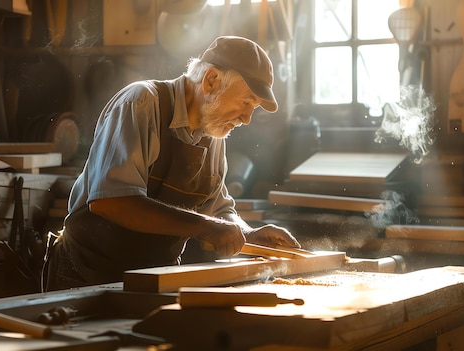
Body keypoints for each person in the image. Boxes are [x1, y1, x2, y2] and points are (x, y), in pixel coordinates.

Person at [46, 36, 301, 290]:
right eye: (246, 102)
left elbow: (219, 211)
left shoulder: (213, 132)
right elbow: (112, 202)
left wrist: (247, 233)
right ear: (211, 80)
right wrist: (207, 227)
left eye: (253, 108)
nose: (246, 118)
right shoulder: (141, 103)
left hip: (155, 279)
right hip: (87, 274)